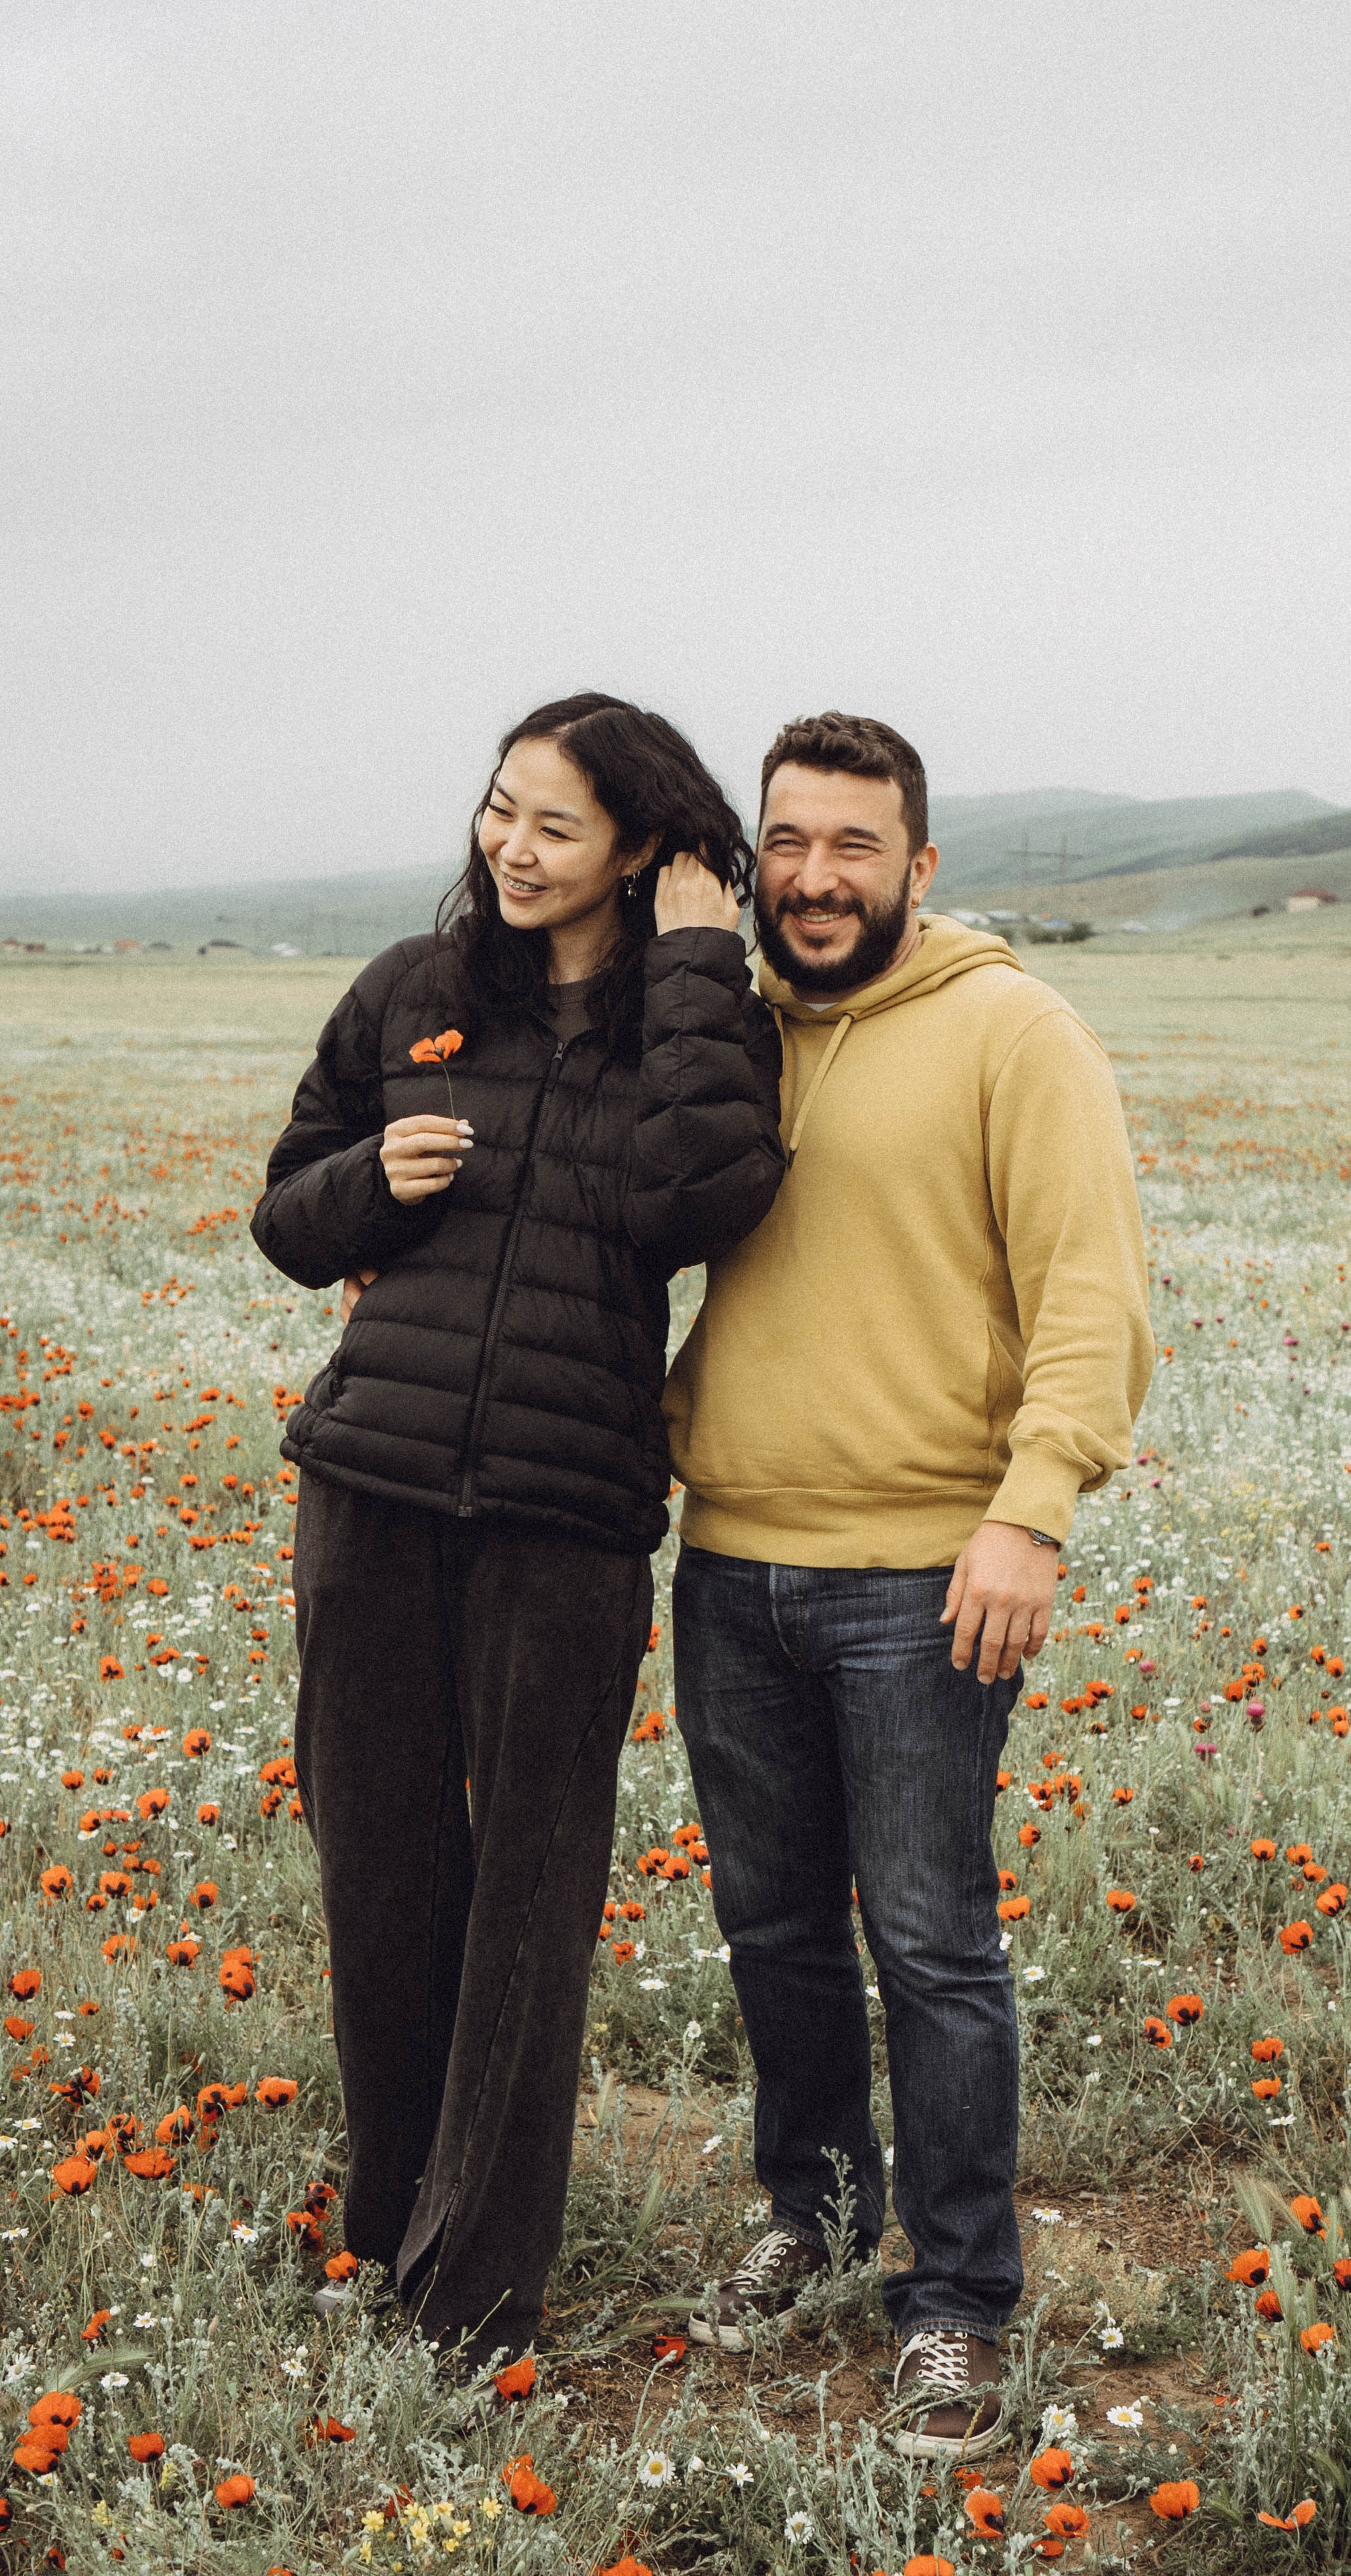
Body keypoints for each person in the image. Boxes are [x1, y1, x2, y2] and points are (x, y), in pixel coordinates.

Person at [252, 692, 783, 2365]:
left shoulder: (698, 1019)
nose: (510, 847)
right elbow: (285, 1210)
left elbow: (701, 1198)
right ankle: (384, 2220)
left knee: (529, 1901)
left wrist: (699, 969)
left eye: (554, 825)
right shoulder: (411, 994)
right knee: (384, 1873)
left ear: (642, 848)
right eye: (498, 811)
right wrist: (366, 1189)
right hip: (372, 1488)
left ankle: (475, 2294)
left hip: (564, 1516)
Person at [663, 711, 1152, 2456]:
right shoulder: (723, 1039)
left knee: (932, 1943)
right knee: (773, 1931)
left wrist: (1033, 1510)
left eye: (854, 846)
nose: (815, 877)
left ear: (920, 865)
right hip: (726, 1563)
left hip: (924, 1576)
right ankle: (806, 2219)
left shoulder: (1012, 1028)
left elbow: (1092, 1288)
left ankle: (953, 2302)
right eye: (787, 843)